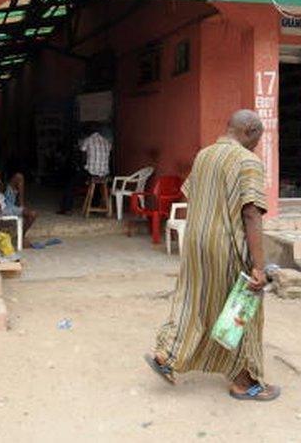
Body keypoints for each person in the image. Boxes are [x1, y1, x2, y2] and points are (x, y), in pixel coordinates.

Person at [144, 109, 279, 402]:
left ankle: (166, 354)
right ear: (250, 131)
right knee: (243, 307)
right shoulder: (247, 161)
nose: (256, 146)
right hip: (227, 244)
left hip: (195, 242)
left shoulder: (204, 155)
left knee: (193, 300)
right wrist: (258, 267)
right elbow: (252, 213)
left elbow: (190, 194)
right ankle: (245, 382)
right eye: (257, 139)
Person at [58, 125, 112, 215]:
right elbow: (109, 156)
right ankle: (95, 205)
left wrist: (80, 166)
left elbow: (82, 157)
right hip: (104, 174)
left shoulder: (88, 140)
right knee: (97, 184)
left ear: (88, 133)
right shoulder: (106, 142)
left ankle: (66, 209)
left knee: (70, 184)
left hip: (91, 172)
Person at [0, 172, 37, 246]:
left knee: (19, 176)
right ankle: (21, 238)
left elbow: (0, 190)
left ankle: (21, 206)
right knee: (32, 214)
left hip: (5, 198)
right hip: (2, 206)